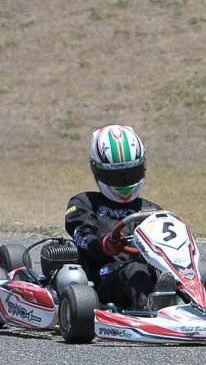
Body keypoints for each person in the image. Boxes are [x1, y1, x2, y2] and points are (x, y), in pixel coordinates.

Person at [65, 125, 163, 310]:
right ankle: (152, 309)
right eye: (115, 175)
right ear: (98, 171)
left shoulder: (152, 209)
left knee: (175, 272)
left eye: (131, 173)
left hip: (150, 274)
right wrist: (103, 244)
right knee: (135, 270)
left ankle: (204, 300)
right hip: (104, 280)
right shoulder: (83, 203)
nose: (124, 182)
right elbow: (82, 237)